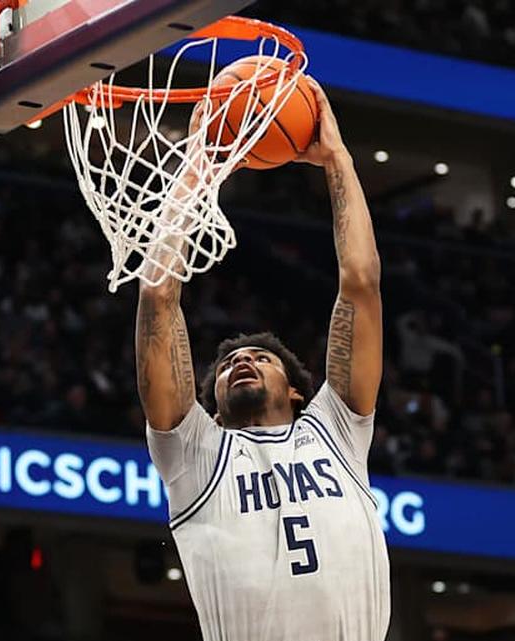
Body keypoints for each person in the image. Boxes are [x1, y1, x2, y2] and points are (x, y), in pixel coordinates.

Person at [136, 78, 390, 641]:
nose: (239, 363)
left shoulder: (337, 430)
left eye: (259, 358)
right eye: (225, 366)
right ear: (214, 406)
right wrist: (198, 167)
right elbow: (157, 295)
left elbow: (362, 283)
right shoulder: (193, 452)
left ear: (298, 390)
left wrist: (337, 159)